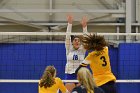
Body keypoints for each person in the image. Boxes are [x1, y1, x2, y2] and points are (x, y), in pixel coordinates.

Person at [65, 15, 87, 92]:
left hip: (80, 75)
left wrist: (84, 27)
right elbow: (67, 37)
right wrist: (70, 23)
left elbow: (86, 39)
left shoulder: (82, 50)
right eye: (75, 40)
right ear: (72, 42)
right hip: (70, 74)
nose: (77, 41)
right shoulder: (69, 49)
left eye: (78, 40)